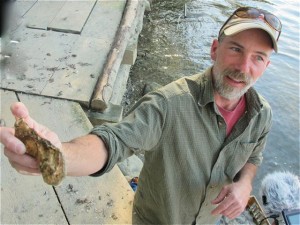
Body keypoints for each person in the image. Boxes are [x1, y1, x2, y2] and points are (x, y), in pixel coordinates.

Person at [0, 6, 282, 224]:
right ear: (214, 49)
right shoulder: (168, 104)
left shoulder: (261, 115)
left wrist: (244, 184)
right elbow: (115, 141)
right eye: (236, 49)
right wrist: (61, 155)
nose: (244, 67)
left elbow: (254, 156)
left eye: (258, 57)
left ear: (266, 66)